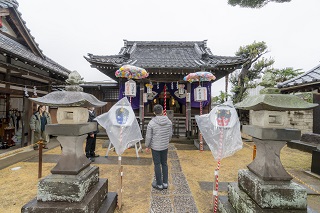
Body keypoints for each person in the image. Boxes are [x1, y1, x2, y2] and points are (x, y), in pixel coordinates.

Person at [145, 104, 172, 190]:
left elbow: (149, 136)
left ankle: (159, 184)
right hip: (165, 146)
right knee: (164, 163)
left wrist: (147, 146)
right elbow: (170, 134)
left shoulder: (151, 123)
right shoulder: (169, 122)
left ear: (154, 112)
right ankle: (165, 183)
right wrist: (167, 141)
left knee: (157, 164)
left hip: (155, 147)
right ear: (162, 111)